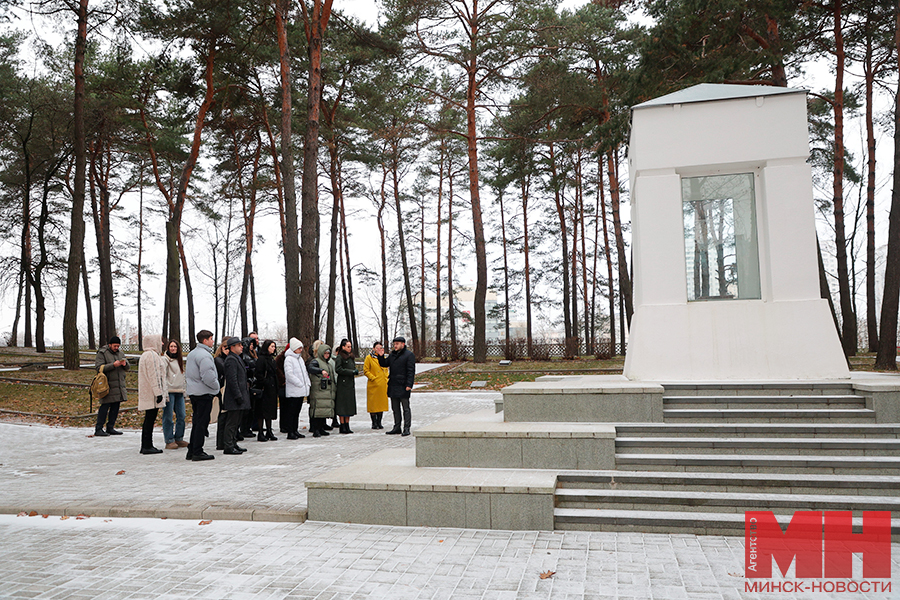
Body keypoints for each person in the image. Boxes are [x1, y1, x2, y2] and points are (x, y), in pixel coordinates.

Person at [183, 329, 218, 461]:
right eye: (211, 339)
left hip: (194, 392)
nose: (212, 341)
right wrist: (216, 386)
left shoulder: (192, 353)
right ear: (205, 340)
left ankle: (192, 450)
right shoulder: (204, 355)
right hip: (204, 392)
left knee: (197, 422)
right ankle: (198, 450)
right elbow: (208, 376)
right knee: (202, 423)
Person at [378, 336, 416, 436]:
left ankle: (406, 428)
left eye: (397, 344)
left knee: (405, 408)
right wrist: (381, 356)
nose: (395, 346)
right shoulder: (392, 355)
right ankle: (397, 427)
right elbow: (384, 364)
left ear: (403, 344)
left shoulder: (409, 355)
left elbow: (411, 371)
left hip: (403, 385)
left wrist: (409, 384)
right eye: (394, 344)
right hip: (393, 384)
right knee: (395, 408)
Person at [93, 335, 129, 436]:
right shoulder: (102, 353)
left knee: (115, 407)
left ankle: (110, 427)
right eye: (115, 346)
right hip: (107, 385)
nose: (116, 348)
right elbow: (99, 368)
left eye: (118, 346)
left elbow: (128, 367)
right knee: (104, 407)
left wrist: (124, 364)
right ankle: (99, 428)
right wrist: (113, 365)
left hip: (118, 384)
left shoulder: (121, 353)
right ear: (110, 345)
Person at [137, 335, 167, 454]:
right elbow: (154, 376)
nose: (162, 344)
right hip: (152, 394)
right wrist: (158, 392)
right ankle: (147, 445)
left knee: (148, 419)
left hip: (148, 392)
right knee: (150, 419)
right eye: (160, 341)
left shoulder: (145, 355)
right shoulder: (152, 356)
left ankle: (146, 444)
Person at [222, 337, 251, 454]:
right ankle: (228, 445)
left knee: (236, 422)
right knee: (232, 423)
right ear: (232, 347)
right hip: (234, 397)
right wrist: (238, 395)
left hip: (240, 396)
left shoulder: (236, 358)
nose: (242, 347)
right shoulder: (231, 360)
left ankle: (233, 443)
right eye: (239, 345)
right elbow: (232, 380)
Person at [162, 339, 188, 450]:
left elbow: (183, 376)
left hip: (179, 392)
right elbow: (163, 375)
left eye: (175, 347)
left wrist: (185, 391)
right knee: (168, 417)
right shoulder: (165, 360)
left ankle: (179, 437)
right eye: (171, 346)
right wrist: (165, 392)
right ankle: (169, 440)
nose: (173, 348)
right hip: (169, 391)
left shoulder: (179, 360)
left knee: (182, 416)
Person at [283, 337, 310, 439]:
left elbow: (304, 373)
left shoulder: (300, 359)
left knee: (297, 412)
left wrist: (307, 383)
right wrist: (299, 383)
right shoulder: (289, 359)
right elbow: (289, 374)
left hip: (301, 389)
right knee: (292, 412)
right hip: (294, 389)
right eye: (299, 348)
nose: (301, 350)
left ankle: (295, 430)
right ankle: (290, 431)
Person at [307, 344, 336, 438]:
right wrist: (321, 371)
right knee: (317, 411)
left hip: (325, 391)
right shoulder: (316, 362)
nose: (327, 355)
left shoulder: (327, 363)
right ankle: (316, 429)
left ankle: (321, 428)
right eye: (325, 353)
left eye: (328, 353)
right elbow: (310, 368)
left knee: (323, 410)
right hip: (318, 390)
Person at [254, 340, 280, 442]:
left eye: (274, 347)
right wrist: (266, 382)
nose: (274, 348)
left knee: (270, 410)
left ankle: (269, 430)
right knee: (262, 411)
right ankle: (260, 432)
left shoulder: (272, 359)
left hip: (272, 388)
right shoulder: (261, 359)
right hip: (264, 388)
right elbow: (259, 374)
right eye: (271, 346)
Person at [333, 338, 359, 434]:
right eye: (348, 346)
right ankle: (342, 425)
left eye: (350, 346)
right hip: (343, 384)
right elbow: (338, 369)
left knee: (348, 405)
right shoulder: (340, 357)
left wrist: (354, 370)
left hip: (350, 384)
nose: (349, 348)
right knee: (342, 406)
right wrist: (350, 372)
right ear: (343, 347)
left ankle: (347, 425)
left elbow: (352, 366)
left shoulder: (350, 357)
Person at [363, 342, 389, 430]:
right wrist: (373, 378)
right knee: (373, 405)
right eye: (377, 348)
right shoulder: (369, 358)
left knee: (381, 404)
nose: (379, 349)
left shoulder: (383, 357)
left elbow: (386, 368)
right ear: (373, 349)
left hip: (382, 384)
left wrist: (386, 378)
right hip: (373, 384)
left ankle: (379, 422)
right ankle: (374, 422)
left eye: (380, 348)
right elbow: (366, 370)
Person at [213, 338, 231, 451]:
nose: (227, 350)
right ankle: (220, 442)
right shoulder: (219, 360)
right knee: (222, 416)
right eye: (225, 348)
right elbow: (225, 370)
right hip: (221, 389)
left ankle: (225, 440)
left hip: (227, 388)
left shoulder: (228, 359)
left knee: (227, 416)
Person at [240, 336, 259, 437]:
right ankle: (244, 429)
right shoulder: (244, 357)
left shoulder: (252, 355)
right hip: (248, 383)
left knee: (251, 409)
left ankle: (247, 428)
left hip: (252, 383)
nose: (252, 346)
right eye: (250, 344)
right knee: (246, 410)